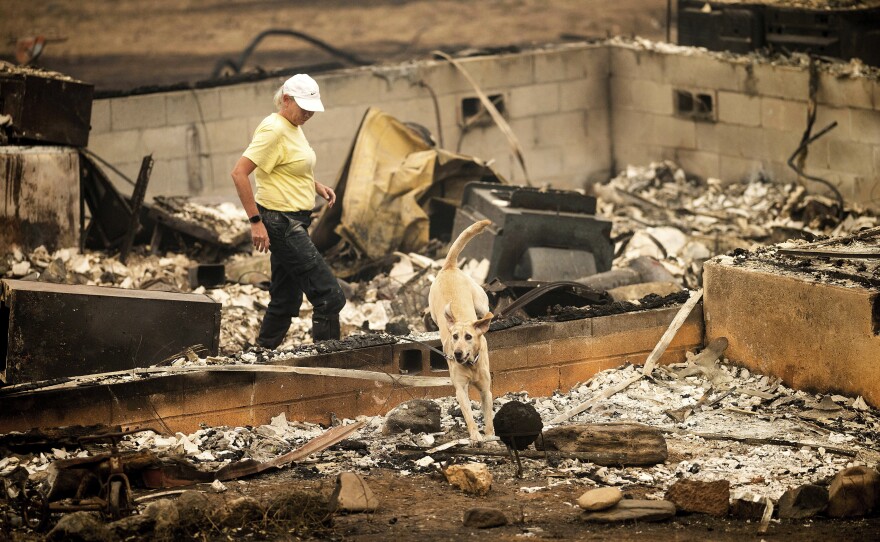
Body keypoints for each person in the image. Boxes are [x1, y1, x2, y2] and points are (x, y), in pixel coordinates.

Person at [231, 73, 346, 348]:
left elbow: (287, 166)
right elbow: (239, 173)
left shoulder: (293, 126)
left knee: (285, 299)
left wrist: (314, 185)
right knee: (329, 296)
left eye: (311, 110)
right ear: (286, 99)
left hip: (294, 221)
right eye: (304, 108)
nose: (308, 114)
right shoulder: (274, 129)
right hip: (281, 223)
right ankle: (330, 362)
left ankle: (261, 355)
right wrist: (255, 222)